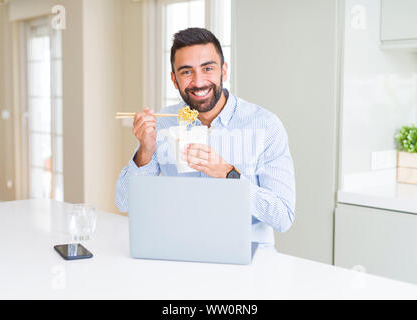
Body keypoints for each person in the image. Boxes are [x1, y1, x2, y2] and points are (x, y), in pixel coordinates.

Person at [115, 27, 295, 247]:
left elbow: (283, 217)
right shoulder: (164, 123)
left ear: (224, 71)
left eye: (208, 68)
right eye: (186, 72)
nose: (198, 82)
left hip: (247, 255)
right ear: (174, 79)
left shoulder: (266, 126)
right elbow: (124, 202)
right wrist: (145, 150)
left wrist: (229, 175)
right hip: (181, 249)